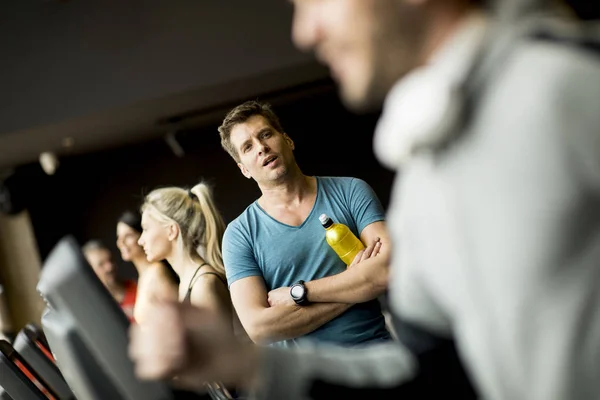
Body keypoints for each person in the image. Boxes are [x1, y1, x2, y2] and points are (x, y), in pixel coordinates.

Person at [129, 0, 600, 399]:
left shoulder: (573, 82)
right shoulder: (423, 172)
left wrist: (299, 296)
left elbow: (384, 275)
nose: (304, 32)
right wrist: (244, 362)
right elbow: (428, 369)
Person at [218, 100, 391, 348]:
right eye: (248, 147)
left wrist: (297, 293)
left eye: (265, 134)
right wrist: (358, 283)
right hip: (308, 380)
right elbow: (260, 329)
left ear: (288, 140)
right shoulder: (239, 234)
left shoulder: (351, 191)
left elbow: (385, 270)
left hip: (377, 356)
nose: (261, 148)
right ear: (243, 169)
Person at [116, 211, 178, 324]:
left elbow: (176, 317)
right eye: (119, 237)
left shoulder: (157, 272)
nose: (121, 242)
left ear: (141, 236)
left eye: (128, 236)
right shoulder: (143, 277)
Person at [81, 240, 138, 322]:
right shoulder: (92, 310)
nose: (110, 267)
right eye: (101, 264)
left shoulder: (139, 287)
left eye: (110, 260)